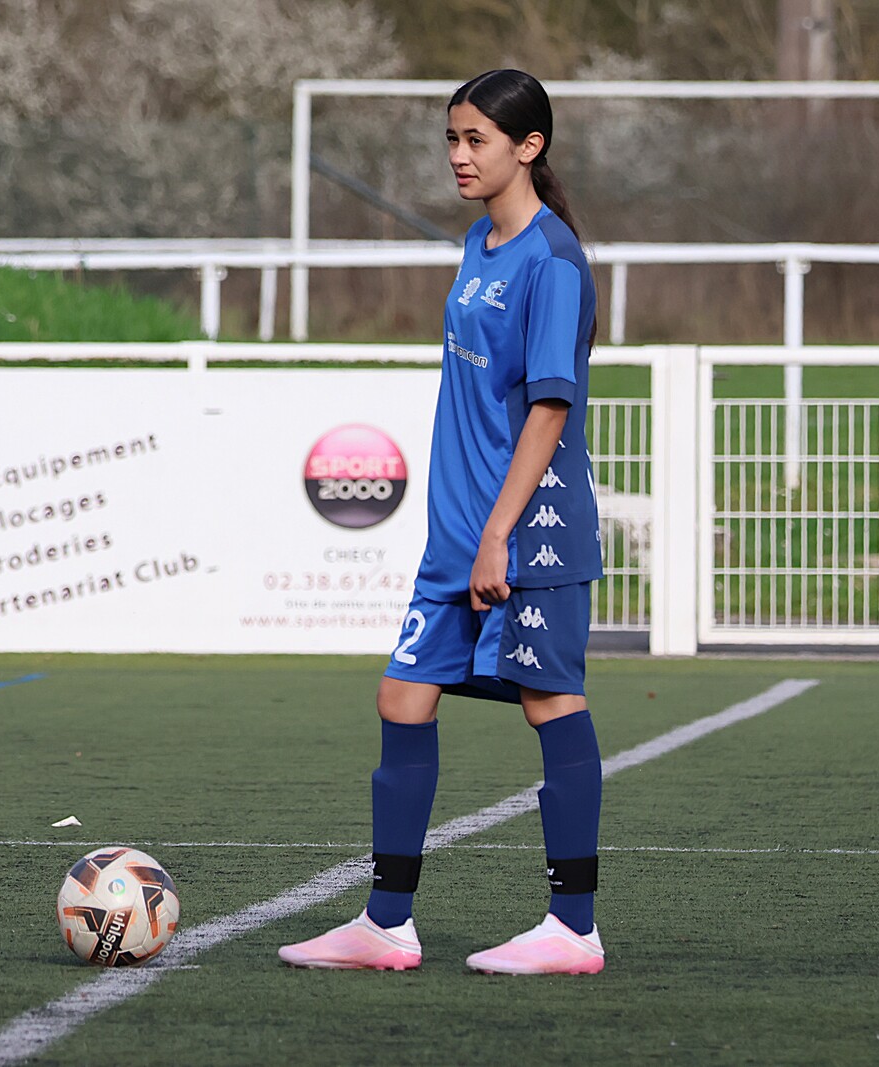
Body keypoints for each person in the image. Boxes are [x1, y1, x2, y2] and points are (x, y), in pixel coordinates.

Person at [278, 69, 605, 975]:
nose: (459, 156)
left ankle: (573, 928)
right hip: (459, 531)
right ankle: (386, 922)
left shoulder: (553, 261)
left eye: (476, 140)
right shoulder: (477, 242)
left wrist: (499, 532)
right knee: (403, 696)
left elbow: (549, 408)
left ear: (529, 147)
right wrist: (466, 531)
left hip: (527, 528)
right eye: (452, 139)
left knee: (550, 700)